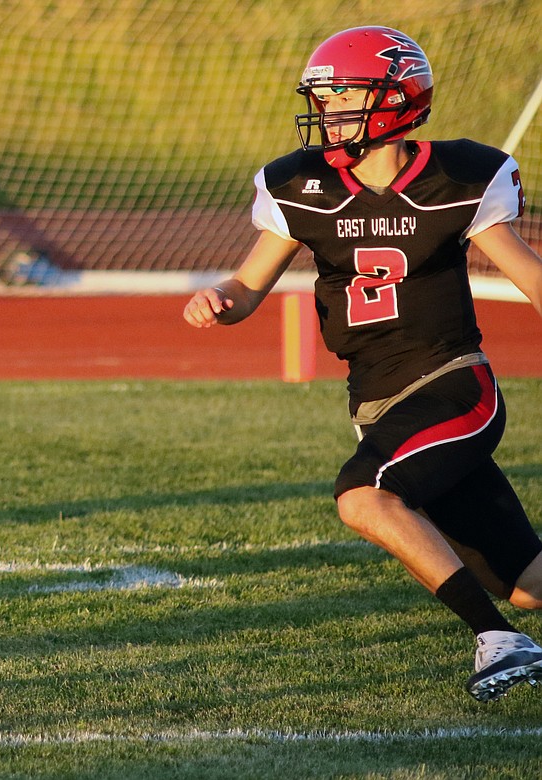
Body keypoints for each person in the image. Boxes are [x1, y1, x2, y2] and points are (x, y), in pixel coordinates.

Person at [183, 26, 542, 701]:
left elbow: (529, 274)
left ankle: (497, 642)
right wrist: (219, 301)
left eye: (345, 93)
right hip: (376, 400)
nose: (328, 109)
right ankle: (512, 622)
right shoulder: (301, 183)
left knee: (362, 495)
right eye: (323, 96)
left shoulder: (458, 176)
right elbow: (248, 284)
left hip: (453, 384)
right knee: (527, 582)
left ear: (397, 97)